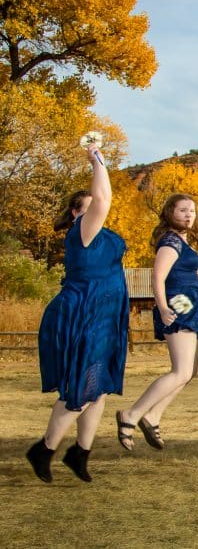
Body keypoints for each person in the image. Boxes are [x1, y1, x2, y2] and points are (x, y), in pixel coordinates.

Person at [27, 143, 129, 483]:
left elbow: (102, 203)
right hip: (84, 312)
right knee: (80, 388)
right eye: (85, 209)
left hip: (104, 313)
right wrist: (97, 159)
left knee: (98, 387)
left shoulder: (99, 233)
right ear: (75, 214)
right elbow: (102, 200)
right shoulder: (83, 231)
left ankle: (80, 453)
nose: (95, 211)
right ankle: (44, 449)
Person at [115, 194, 198, 451]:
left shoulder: (183, 240)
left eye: (192, 210)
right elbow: (157, 278)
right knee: (180, 370)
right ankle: (131, 415)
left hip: (189, 306)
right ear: (170, 212)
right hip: (177, 304)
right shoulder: (169, 241)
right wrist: (164, 307)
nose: (189, 215)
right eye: (183, 210)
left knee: (189, 371)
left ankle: (153, 416)